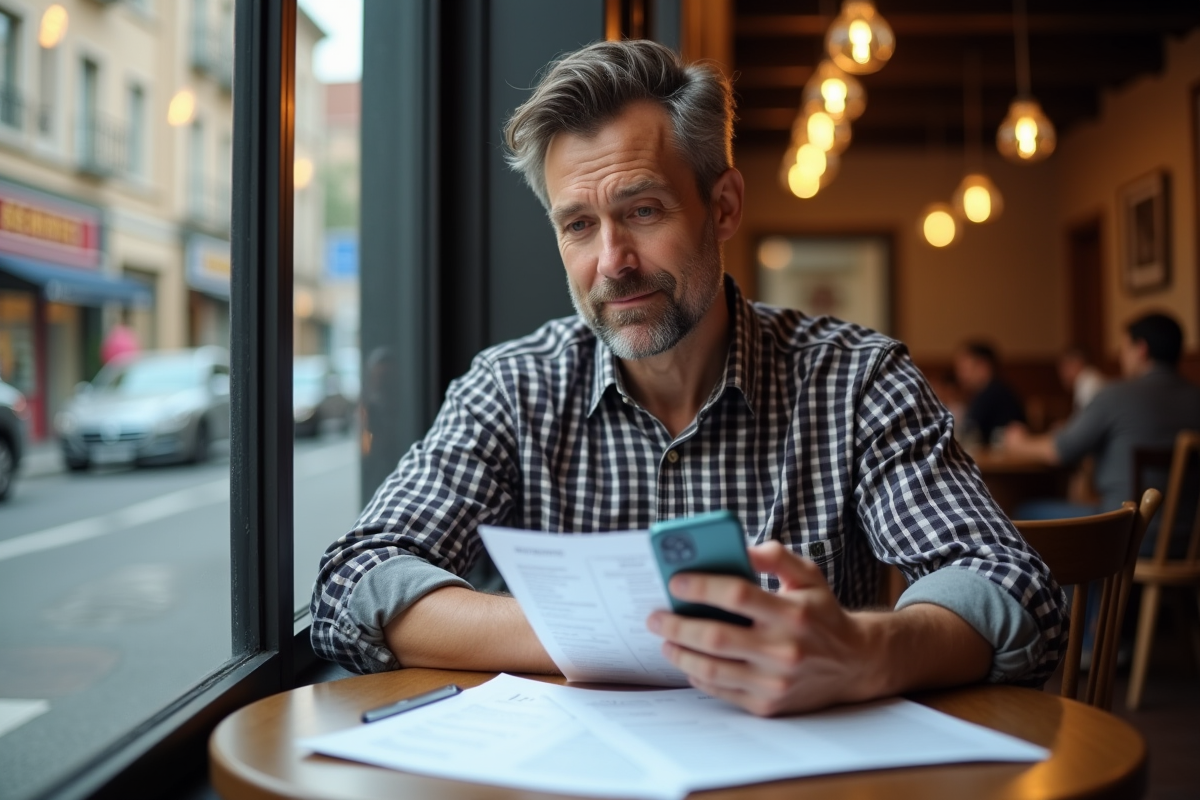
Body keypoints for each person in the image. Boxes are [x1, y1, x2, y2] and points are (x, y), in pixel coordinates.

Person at [311, 40, 1065, 717]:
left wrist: (865, 651)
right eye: (578, 225)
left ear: (724, 205)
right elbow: (356, 579)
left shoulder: (857, 379)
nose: (612, 261)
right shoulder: (512, 388)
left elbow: (1007, 582)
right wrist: (610, 632)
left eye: (642, 210)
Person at [1005, 312, 1200, 532]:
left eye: (1125, 349)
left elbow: (1058, 451)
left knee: (1022, 510)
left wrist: (1017, 442)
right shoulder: (1196, 398)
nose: (1121, 357)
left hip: (1123, 538)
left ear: (1141, 349)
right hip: (1189, 544)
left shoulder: (1116, 395)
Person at [953, 341, 1025, 447]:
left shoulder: (993, 394)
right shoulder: (991, 391)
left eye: (964, 369)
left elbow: (968, 432)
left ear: (983, 366)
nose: (960, 376)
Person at [1058, 347, 1105, 412]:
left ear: (1077, 363)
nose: (1061, 373)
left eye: (1064, 366)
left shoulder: (1089, 384)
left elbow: (1090, 419)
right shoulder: (1089, 378)